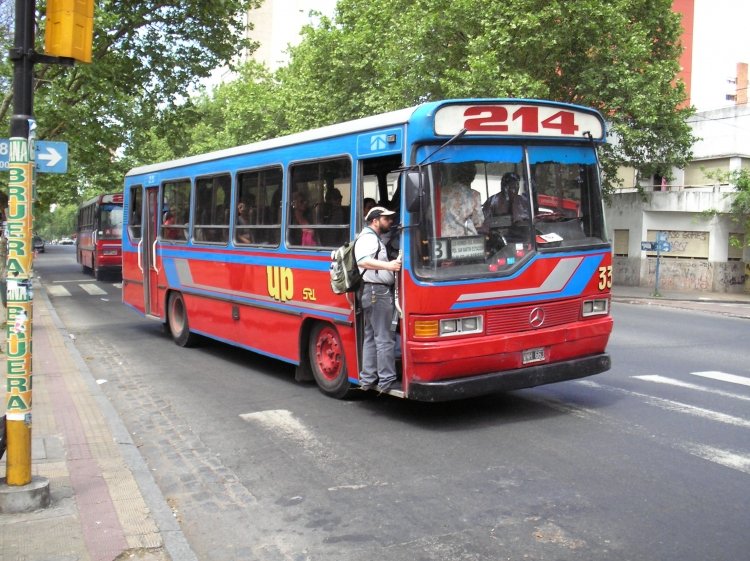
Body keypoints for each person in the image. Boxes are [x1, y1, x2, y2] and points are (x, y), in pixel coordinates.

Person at [354, 206, 402, 392]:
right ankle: (387, 381)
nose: (390, 221)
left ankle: (368, 379)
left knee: (371, 337)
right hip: (377, 292)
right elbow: (363, 261)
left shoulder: (372, 237)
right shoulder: (368, 238)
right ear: (375, 221)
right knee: (384, 338)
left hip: (371, 291)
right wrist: (389, 266)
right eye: (386, 218)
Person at [440, 162, 484, 237]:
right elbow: (478, 222)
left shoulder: (441, 192)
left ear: (454, 175)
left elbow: (430, 216)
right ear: (472, 177)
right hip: (464, 241)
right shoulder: (474, 195)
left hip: (441, 240)